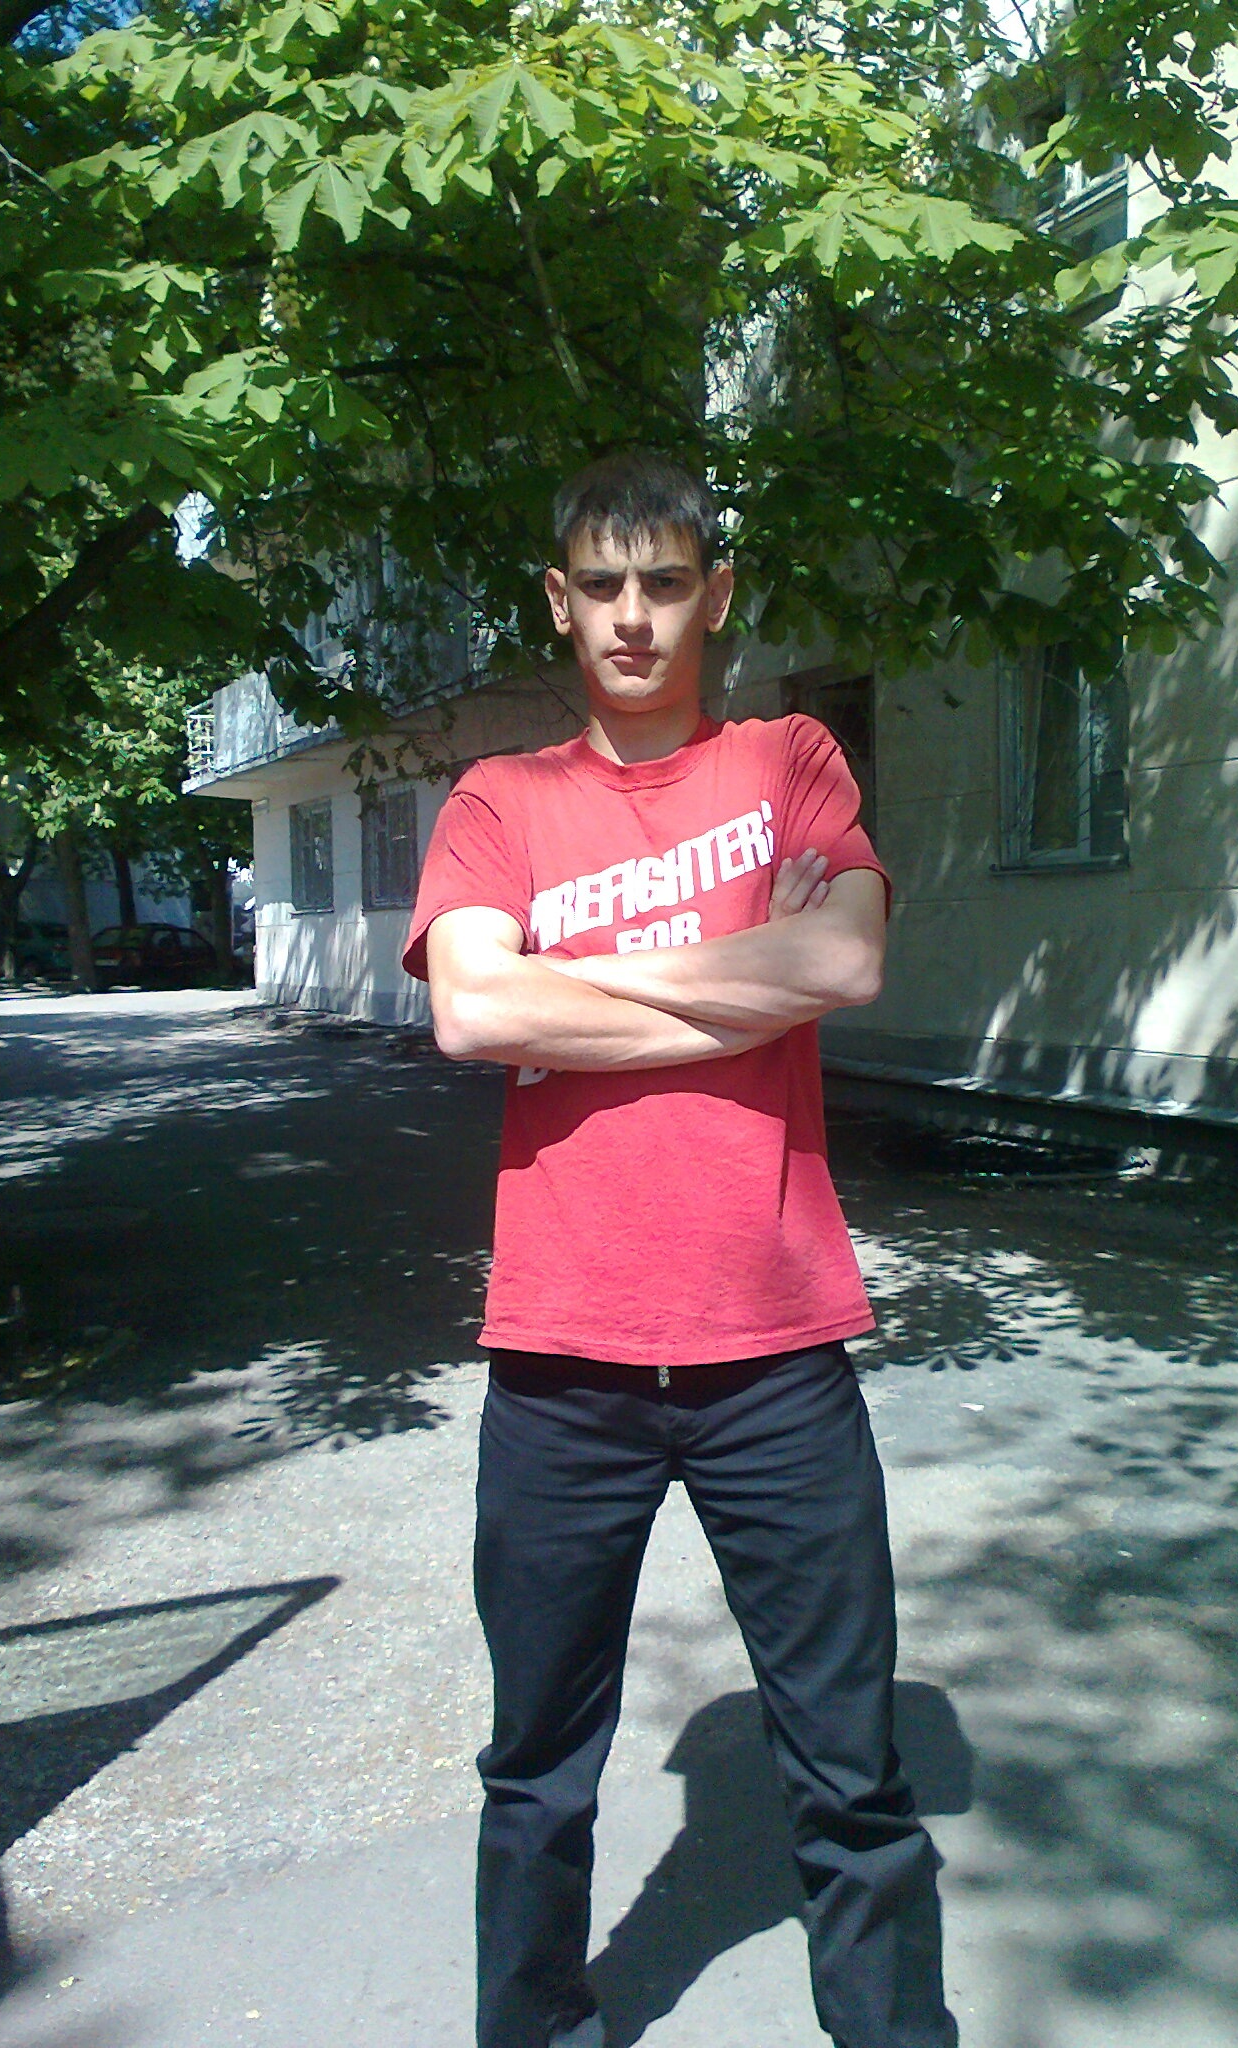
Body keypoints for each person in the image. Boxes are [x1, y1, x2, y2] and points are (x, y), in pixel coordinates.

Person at [402, 450, 957, 2048]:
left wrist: (579, 982)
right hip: (561, 1364)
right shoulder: (500, 801)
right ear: (558, 600)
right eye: (601, 585)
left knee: (850, 1771)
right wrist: (738, 980)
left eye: (663, 583)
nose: (633, 616)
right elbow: (473, 1010)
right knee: (536, 1771)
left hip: (776, 1354)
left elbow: (843, 964)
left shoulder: (789, 760)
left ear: (716, 593)